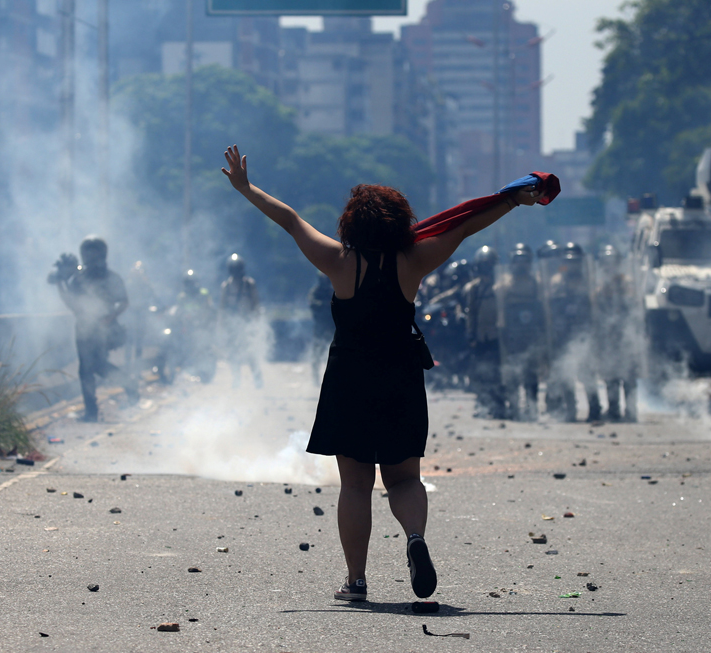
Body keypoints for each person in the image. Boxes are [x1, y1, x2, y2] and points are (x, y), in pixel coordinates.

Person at [222, 144, 541, 602]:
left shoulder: (336, 261)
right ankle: (414, 537)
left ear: (351, 224)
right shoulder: (413, 262)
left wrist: (246, 187)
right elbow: (466, 225)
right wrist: (512, 200)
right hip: (400, 376)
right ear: (399, 223)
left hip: (349, 377)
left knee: (355, 484)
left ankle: (356, 581)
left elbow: (291, 220)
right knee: (405, 479)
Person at [48, 236, 138, 422]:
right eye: (87, 252)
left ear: (102, 253)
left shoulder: (112, 277)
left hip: (104, 329)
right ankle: (91, 412)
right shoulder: (79, 278)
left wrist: (110, 318)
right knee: (85, 371)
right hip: (83, 328)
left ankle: (128, 385)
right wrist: (60, 282)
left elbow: (124, 302)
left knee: (97, 365)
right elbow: (72, 304)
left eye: (94, 252)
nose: (90, 256)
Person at [543, 242, 600, 422]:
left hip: (583, 334)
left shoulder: (589, 281)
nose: (573, 265)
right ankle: (570, 410)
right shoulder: (556, 282)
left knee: (587, 375)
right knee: (565, 376)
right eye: (569, 261)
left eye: (576, 261)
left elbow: (595, 309)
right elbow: (549, 309)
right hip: (562, 335)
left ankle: (595, 409)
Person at [497, 243, 545, 421]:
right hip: (511, 335)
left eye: (525, 261)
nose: (521, 265)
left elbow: (542, 310)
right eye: (518, 261)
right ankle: (515, 409)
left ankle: (532, 409)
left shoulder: (536, 283)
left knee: (531, 374)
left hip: (531, 335)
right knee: (512, 374)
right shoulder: (505, 284)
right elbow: (500, 311)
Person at [594, 246, 638, 422]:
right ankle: (613, 410)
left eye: (611, 263)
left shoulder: (626, 283)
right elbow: (596, 311)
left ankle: (631, 410)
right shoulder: (600, 287)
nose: (609, 267)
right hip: (608, 337)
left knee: (628, 376)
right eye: (606, 263)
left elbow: (633, 308)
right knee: (610, 375)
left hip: (625, 335)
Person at [462, 245, 506, 419]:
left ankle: (499, 406)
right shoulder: (474, 288)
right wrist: (470, 334)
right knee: (480, 373)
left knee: (497, 373)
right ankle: (483, 404)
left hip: (497, 337)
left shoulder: (501, 286)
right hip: (481, 337)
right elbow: (470, 313)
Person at [218, 253, 263, 389]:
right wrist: (223, 326)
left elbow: (256, 306)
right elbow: (222, 308)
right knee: (234, 355)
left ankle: (257, 380)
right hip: (233, 327)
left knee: (251, 354)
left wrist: (256, 325)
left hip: (247, 325)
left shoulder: (249, 285)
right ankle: (236, 379)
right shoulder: (226, 286)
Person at [176, 269, 217, 383]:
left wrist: (207, 321)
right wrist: (184, 318)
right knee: (189, 348)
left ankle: (207, 370)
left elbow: (210, 309)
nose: (190, 285)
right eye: (188, 283)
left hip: (203, 326)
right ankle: (192, 370)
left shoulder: (204, 293)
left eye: (191, 282)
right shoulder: (182, 296)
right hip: (189, 327)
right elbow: (179, 311)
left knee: (205, 348)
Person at [308, 272, 335, 385]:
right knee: (316, 353)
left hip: (332, 326)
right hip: (320, 326)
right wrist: (324, 305)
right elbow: (312, 303)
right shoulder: (316, 291)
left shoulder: (334, 290)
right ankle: (315, 378)